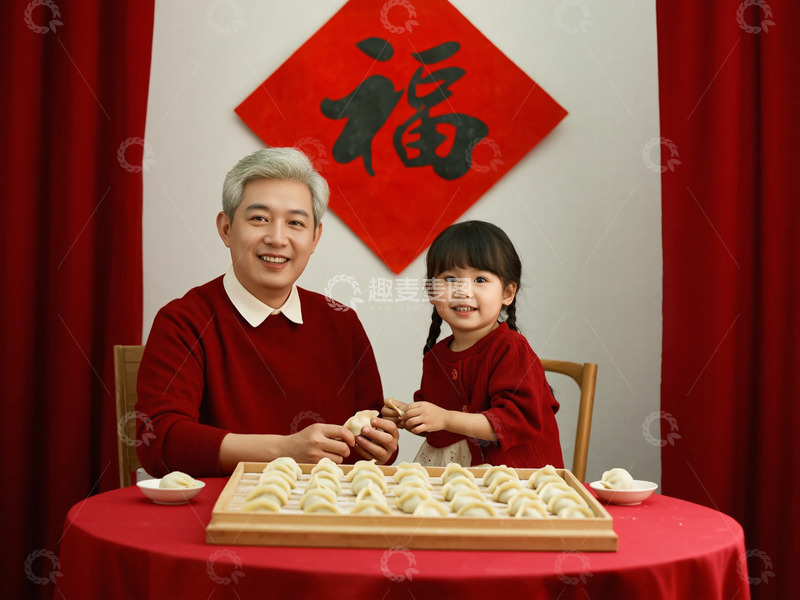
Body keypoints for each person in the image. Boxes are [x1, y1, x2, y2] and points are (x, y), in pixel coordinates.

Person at [136, 147, 399, 477]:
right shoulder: (184, 321)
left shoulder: (341, 322)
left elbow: (369, 441)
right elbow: (159, 441)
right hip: (221, 517)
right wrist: (284, 450)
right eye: (259, 219)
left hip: (327, 515)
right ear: (227, 229)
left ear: (315, 237)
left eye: (295, 223)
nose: (277, 238)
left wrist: (380, 446)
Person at [382, 221, 563, 468]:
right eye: (450, 278)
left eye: (479, 279)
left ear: (508, 293)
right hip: (462, 484)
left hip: (517, 486)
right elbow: (443, 430)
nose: (463, 291)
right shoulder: (435, 357)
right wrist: (410, 416)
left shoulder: (512, 349)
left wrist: (445, 418)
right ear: (432, 291)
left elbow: (515, 420)